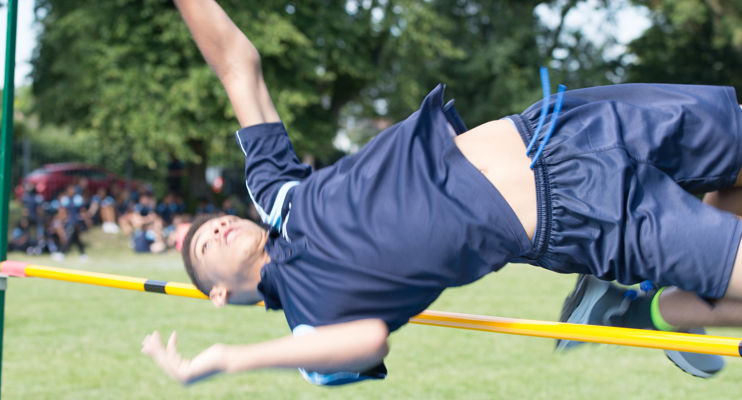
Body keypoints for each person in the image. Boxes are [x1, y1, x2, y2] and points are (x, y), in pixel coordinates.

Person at [141, 0, 742, 386]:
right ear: (219, 292)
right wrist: (227, 358)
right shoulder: (310, 320)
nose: (214, 227)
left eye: (211, 221)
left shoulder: (279, 195)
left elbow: (236, 65)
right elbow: (365, 343)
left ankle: (662, 307)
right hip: (584, 215)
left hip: (564, 125)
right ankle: (656, 309)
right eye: (201, 247)